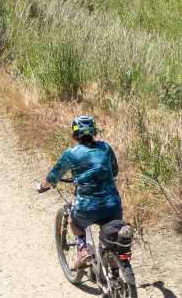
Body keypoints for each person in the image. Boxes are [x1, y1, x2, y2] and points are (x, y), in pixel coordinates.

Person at [36, 115, 122, 271]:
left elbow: (53, 176)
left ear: (74, 134)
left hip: (87, 208)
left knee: (72, 219)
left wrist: (43, 186)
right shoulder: (106, 148)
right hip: (113, 205)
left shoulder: (71, 154)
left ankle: (82, 250)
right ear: (94, 131)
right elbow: (114, 171)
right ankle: (115, 269)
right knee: (110, 234)